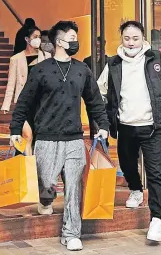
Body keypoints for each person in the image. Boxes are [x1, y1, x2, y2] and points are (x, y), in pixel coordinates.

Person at [9, 20, 109, 251]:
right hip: (46, 137)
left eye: (76, 37)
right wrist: (15, 130)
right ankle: (46, 200)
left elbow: (94, 101)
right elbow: (24, 102)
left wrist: (102, 125)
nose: (75, 42)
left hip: (74, 137)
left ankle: (72, 233)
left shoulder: (82, 70)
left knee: (74, 186)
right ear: (58, 42)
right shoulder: (41, 70)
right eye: (71, 38)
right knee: (46, 185)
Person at [96, 21, 161, 242]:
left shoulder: (154, 59)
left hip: (152, 127)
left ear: (143, 38)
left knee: (155, 172)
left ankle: (156, 218)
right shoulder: (114, 63)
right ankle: (136, 190)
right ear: (121, 39)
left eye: (135, 38)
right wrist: (102, 117)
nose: (131, 42)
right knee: (127, 165)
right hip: (126, 126)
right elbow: (99, 90)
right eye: (127, 38)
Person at [1, 26, 51, 155]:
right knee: (27, 135)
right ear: (27, 39)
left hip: (41, 104)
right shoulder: (16, 59)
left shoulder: (46, 56)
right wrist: (6, 104)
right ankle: (29, 168)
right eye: (35, 37)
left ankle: (32, 164)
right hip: (23, 103)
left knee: (37, 137)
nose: (38, 40)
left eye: (39, 37)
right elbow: (11, 83)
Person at [83, 36, 109, 140]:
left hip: (105, 95)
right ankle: (93, 139)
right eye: (96, 46)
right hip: (91, 94)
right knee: (91, 118)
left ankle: (104, 141)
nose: (98, 48)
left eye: (100, 46)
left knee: (104, 118)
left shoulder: (108, 61)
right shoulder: (87, 61)